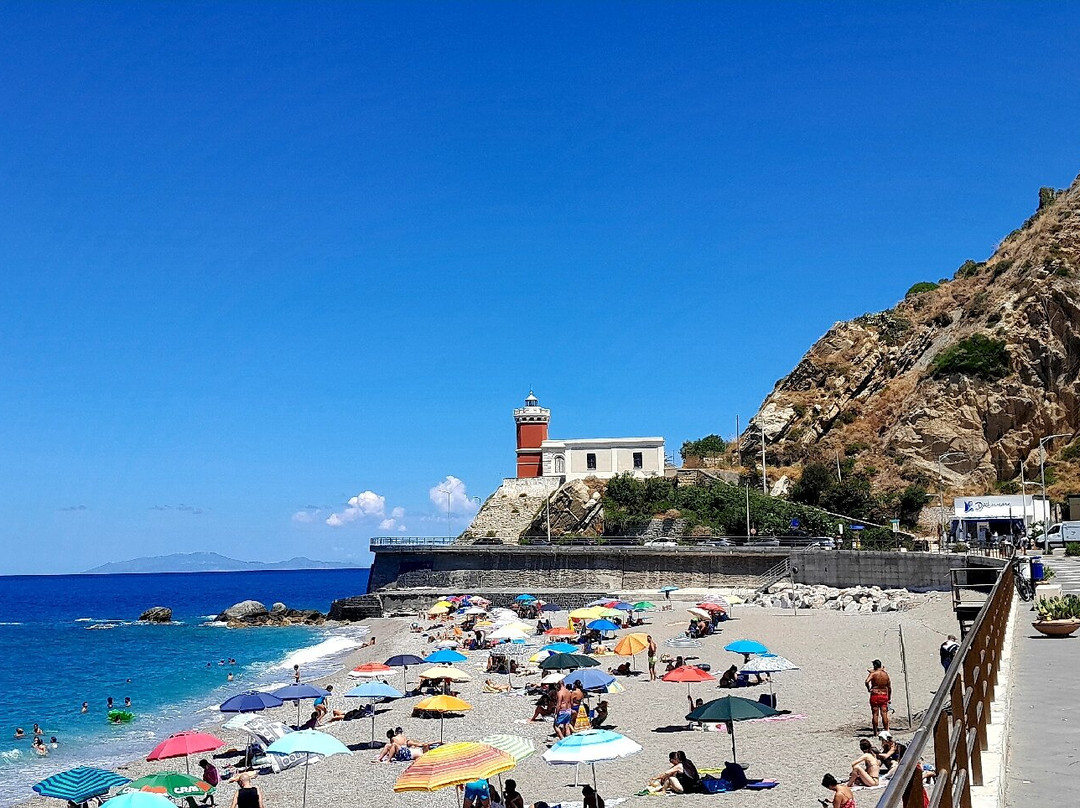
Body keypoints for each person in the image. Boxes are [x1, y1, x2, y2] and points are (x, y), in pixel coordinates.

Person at [865, 660, 892, 734]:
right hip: (884, 695)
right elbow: (889, 687)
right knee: (884, 714)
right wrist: (889, 697)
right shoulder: (885, 675)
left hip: (875, 694)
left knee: (875, 713)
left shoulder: (873, 674)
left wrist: (869, 688)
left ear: (875, 666)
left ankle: (875, 732)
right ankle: (886, 730)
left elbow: (866, 681)